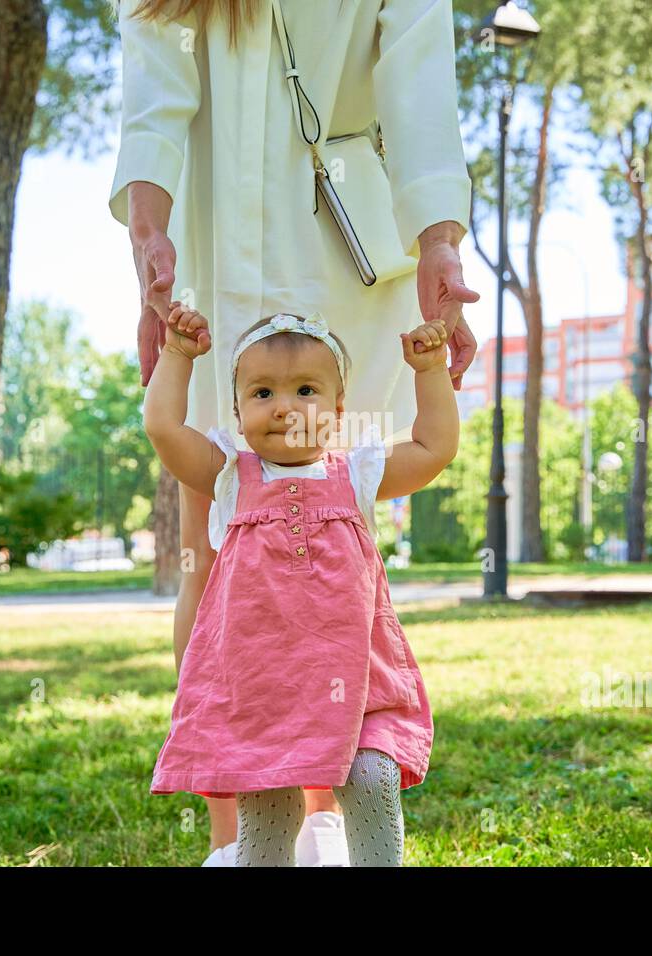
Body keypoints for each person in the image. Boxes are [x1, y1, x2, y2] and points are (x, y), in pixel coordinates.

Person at [109, 0, 478, 864]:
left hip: (348, 239)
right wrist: (149, 236)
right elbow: (153, 78)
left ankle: (329, 815)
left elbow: (421, 69)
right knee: (217, 535)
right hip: (208, 241)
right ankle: (239, 832)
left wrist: (443, 240)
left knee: (336, 523)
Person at [142, 301, 457, 865]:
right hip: (262, 690)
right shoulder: (228, 479)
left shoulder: (355, 474)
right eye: (263, 393)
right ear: (238, 414)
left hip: (359, 684)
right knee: (268, 806)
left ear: (337, 408)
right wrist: (175, 355)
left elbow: (435, 449)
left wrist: (430, 373)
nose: (285, 407)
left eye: (305, 390)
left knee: (371, 778)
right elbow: (163, 427)